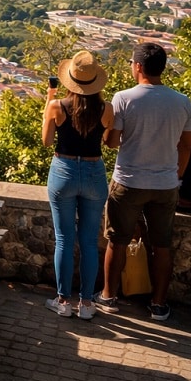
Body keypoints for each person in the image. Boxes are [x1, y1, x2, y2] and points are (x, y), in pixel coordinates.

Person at [95, 42, 191, 322]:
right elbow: (186, 146)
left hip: (129, 180)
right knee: (161, 245)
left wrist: (109, 132)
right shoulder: (182, 101)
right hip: (165, 184)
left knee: (117, 241)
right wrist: (176, 175)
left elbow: (112, 142)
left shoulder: (124, 98)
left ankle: (108, 296)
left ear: (138, 66)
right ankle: (159, 304)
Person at [42, 50, 112, 320]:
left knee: (64, 239)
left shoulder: (57, 106)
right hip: (94, 172)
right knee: (89, 241)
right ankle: (86, 303)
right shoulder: (107, 109)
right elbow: (107, 141)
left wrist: (48, 104)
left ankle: (63, 300)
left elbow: (47, 141)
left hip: (64, 170)